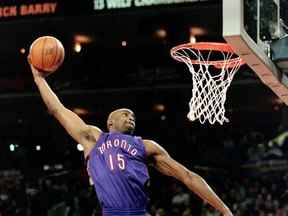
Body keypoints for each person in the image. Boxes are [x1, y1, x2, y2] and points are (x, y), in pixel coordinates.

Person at [28, 60, 233, 216]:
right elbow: (57, 109)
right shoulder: (93, 138)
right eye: (124, 114)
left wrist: (224, 210)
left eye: (133, 116)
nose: (130, 117)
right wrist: (39, 79)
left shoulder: (146, 146)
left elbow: (187, 176)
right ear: (110, 122)